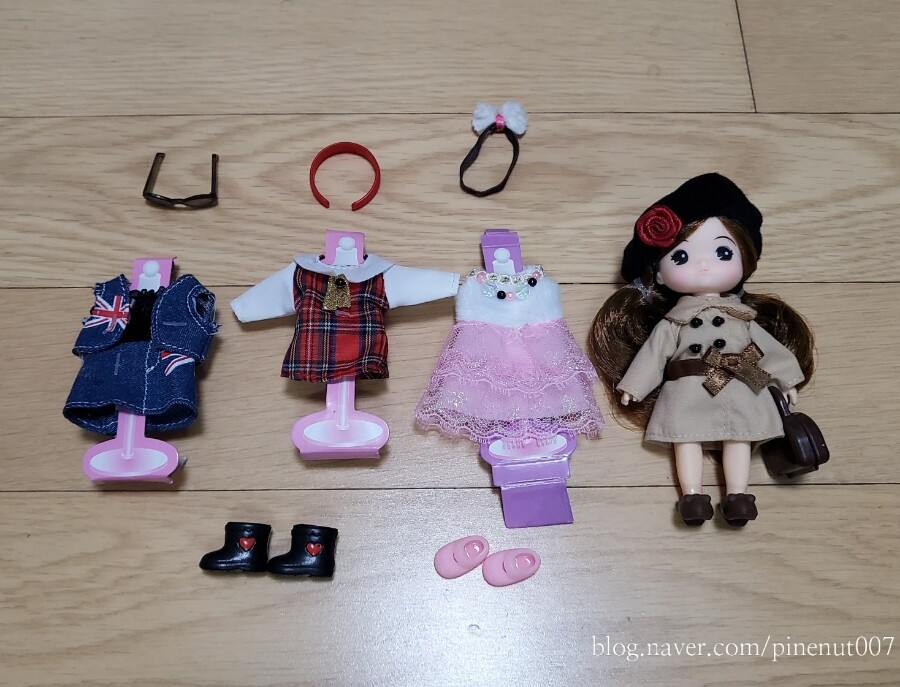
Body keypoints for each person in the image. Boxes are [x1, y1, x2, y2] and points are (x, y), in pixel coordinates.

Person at [588, 173, 815, 526]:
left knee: (739, 439)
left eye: (723, 253)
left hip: (740, 385)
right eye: (681, 257)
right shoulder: (674, 322)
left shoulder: (743, 318)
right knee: (685, 439)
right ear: (660, 275)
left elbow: (768, 349)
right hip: (689, 389)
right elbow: (655, 353)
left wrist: (786, 379)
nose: (704, 265)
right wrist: (635, 385)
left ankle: (738, 495)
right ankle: (692, 496)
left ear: (745, 262)